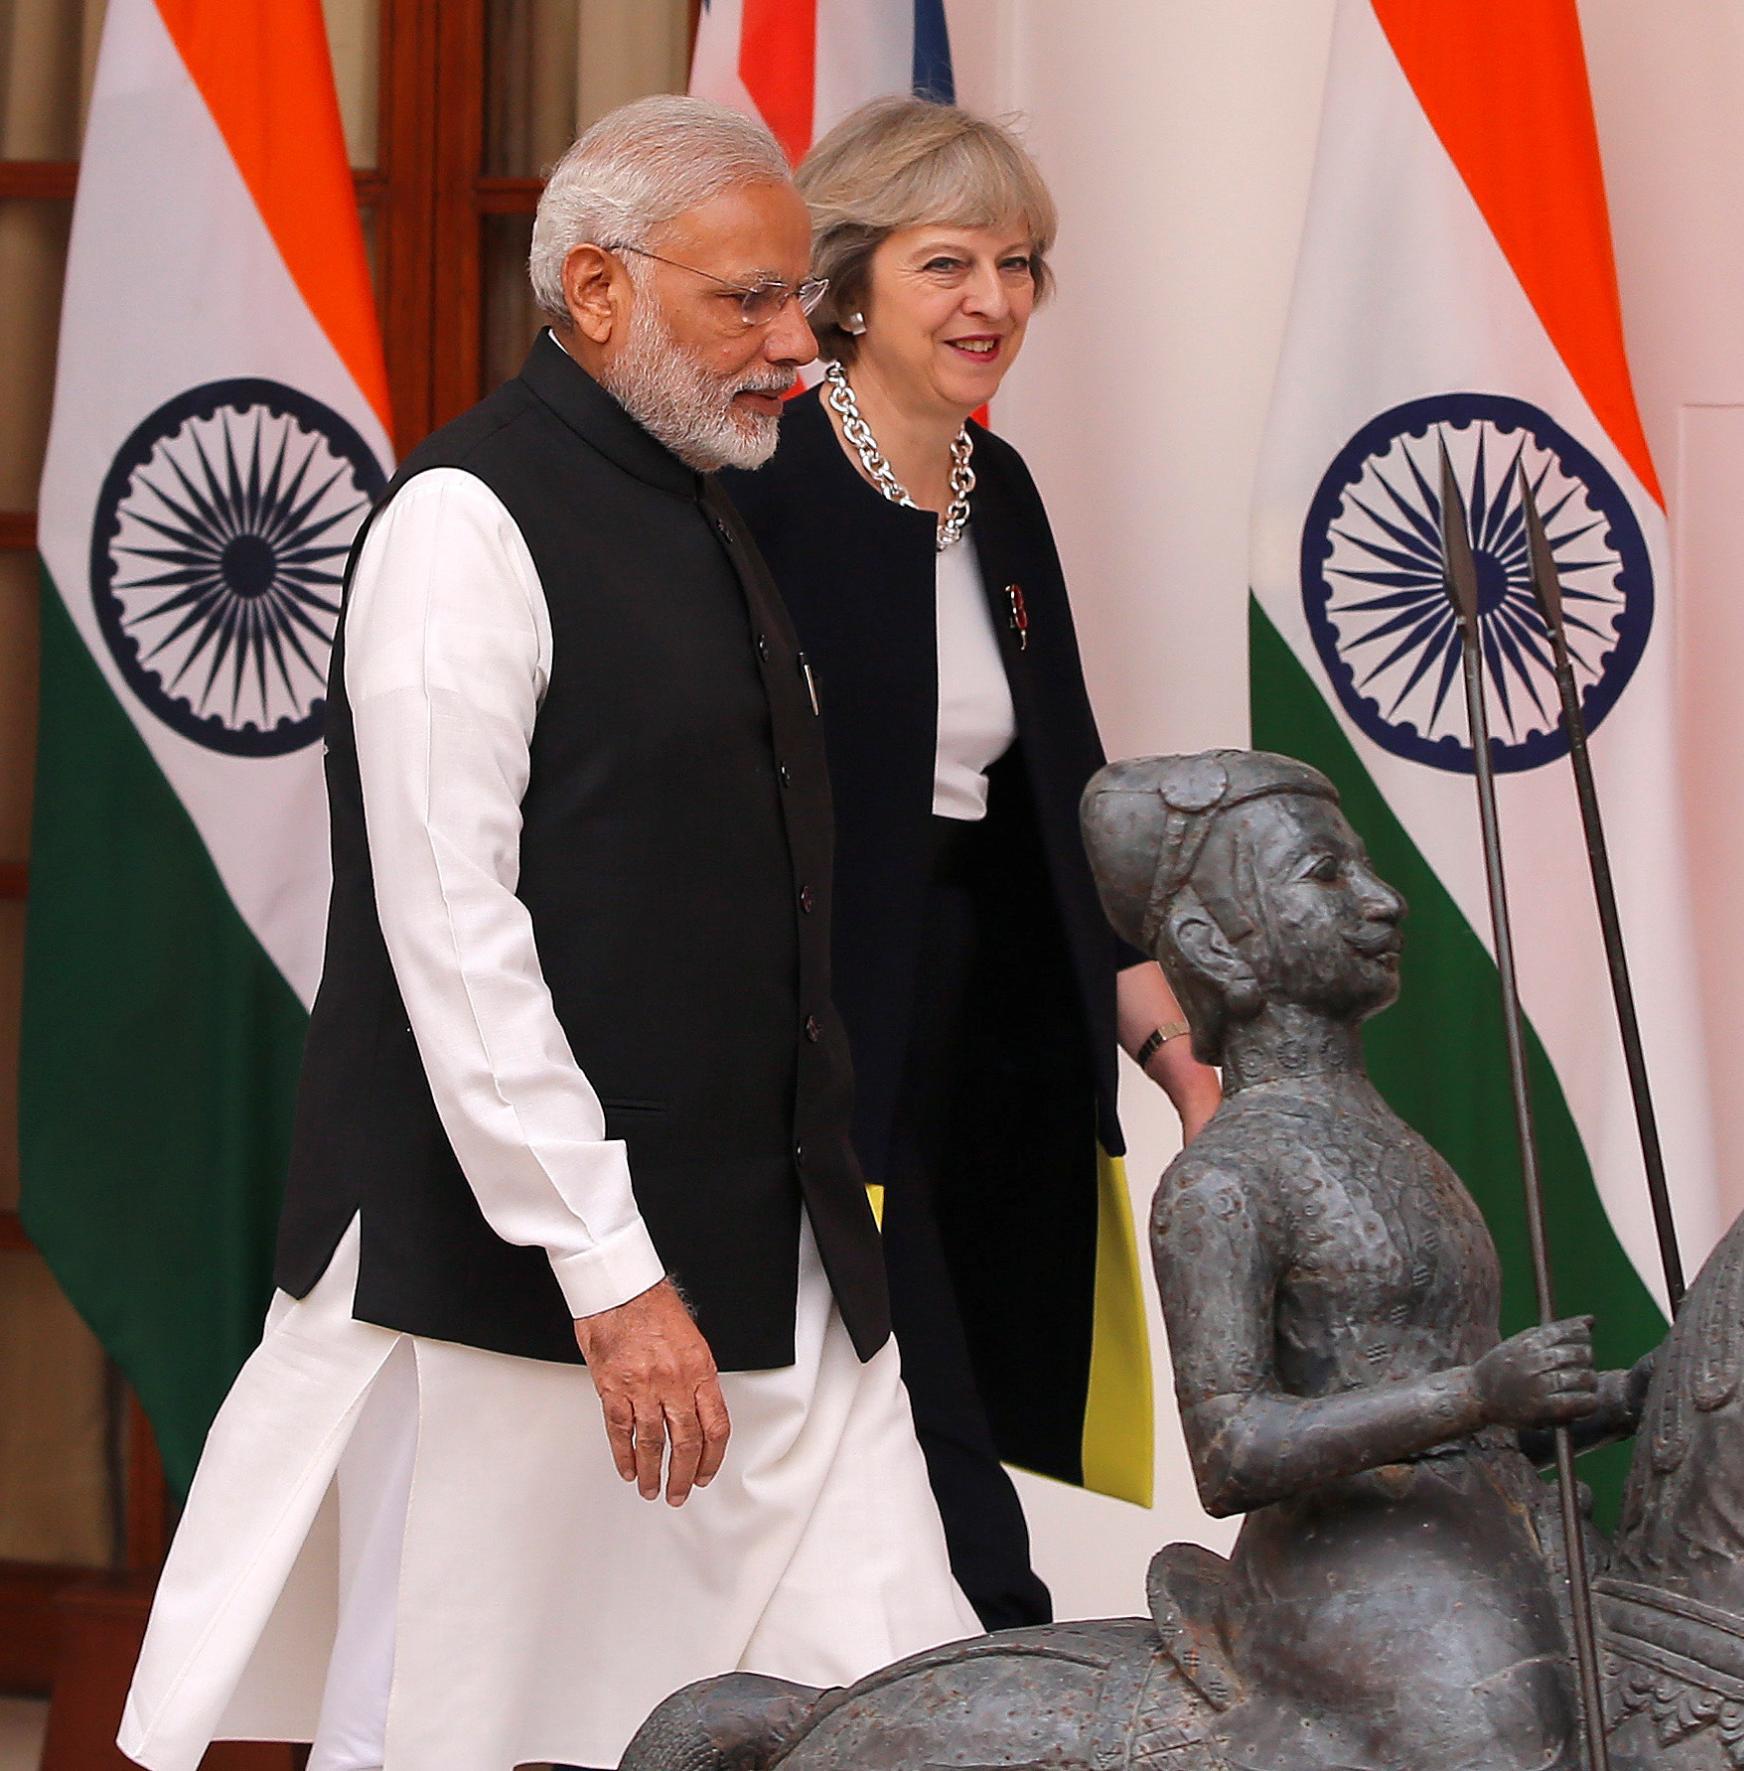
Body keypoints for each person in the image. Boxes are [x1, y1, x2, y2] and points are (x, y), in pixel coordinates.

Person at [117, 96, 978, 1771]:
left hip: (781, 1267)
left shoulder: (704, 503)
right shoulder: (462, 524)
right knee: (456, 1734)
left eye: (803, 300)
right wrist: (611, 1271)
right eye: (748, 301)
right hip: (526, 1292)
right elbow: (454, 932)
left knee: (912, 1706)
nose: (797, 344)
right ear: (596, 290)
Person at [721, 96, 1221, 1631]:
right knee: (933, 1466)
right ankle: (992, 1666)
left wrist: (1171, 1047)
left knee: (957, 1411)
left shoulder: (993, 491)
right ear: (849, 284)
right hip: (808, 1038)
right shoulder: (764, 477)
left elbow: (1066, 781)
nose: (994, 300)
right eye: (949, 264)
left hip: (980, 1025)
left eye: (1019, 265)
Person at [1082, 751, 1651, 1771]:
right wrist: (1476, 1394)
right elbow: (1231, 1449)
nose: (1385, 902)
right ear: (1215, 944)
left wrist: (1616, 1394)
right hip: (1356, 1584)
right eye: (1326, 875)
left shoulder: (1392, 1141)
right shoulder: (1229, 1177)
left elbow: (1456, 1412)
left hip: (1493, 1546)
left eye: (1364, 869)